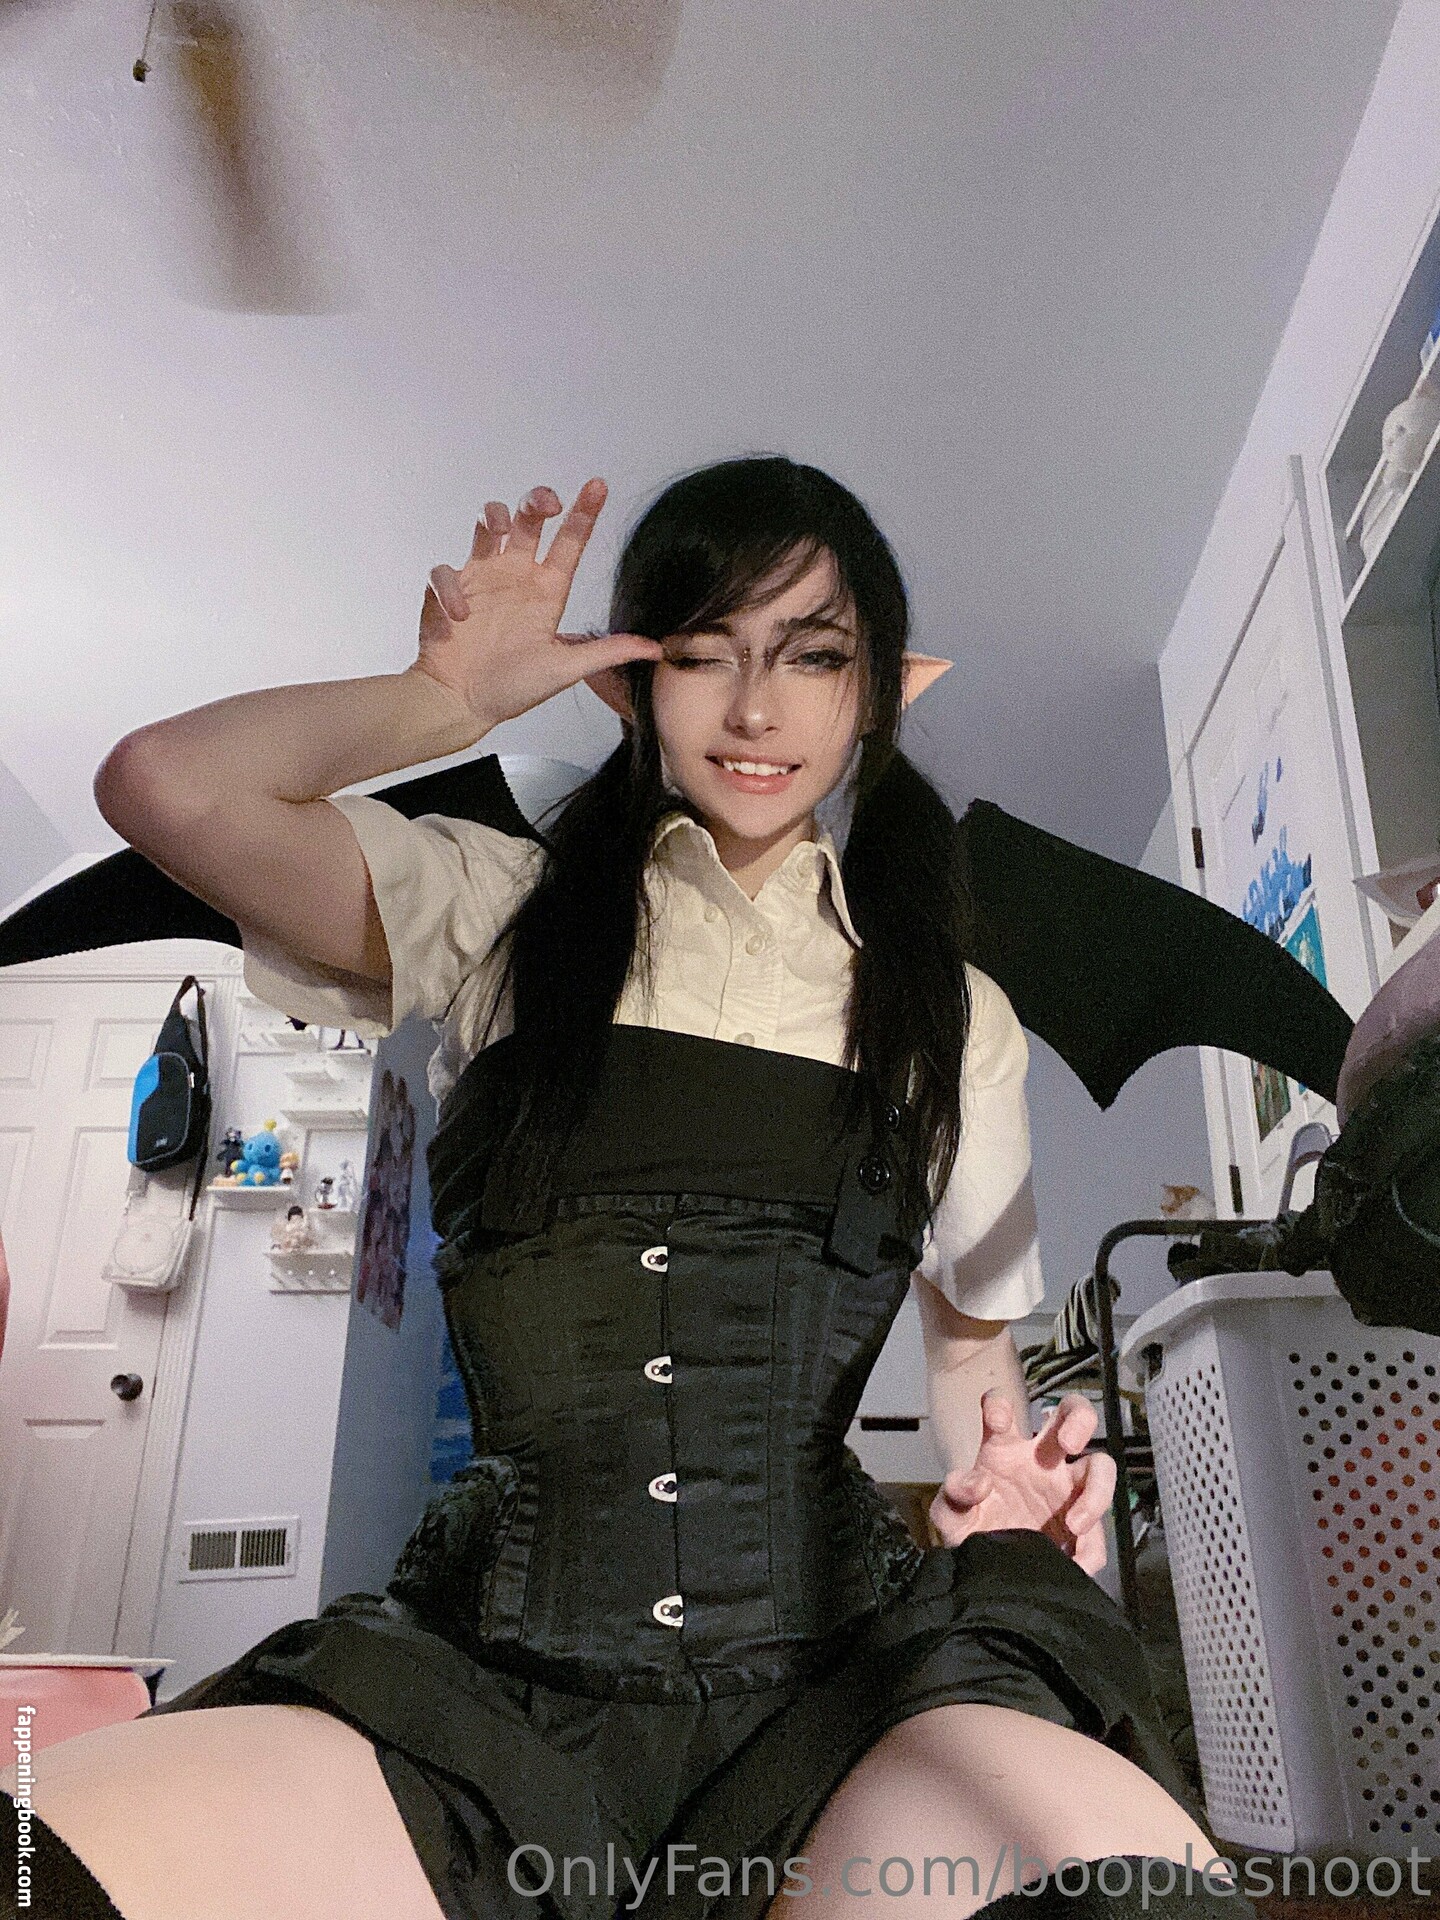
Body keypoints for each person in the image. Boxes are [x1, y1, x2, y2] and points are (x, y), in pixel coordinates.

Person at [1, 458, 1253, 1920]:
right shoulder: (496, 912)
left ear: (882, 689)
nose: (756, 710)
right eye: (704, 652)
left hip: (845, 1693)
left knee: (1133, 1899)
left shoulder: (951, 1013)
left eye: (812, 657)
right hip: (479, 1699)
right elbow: (167, 786)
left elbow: (975, 1353)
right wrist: (441, 699)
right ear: (628, 682)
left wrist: (1009, 1494)